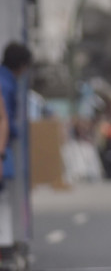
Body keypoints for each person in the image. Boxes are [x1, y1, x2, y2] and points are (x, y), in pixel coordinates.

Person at [0, 43, 30, 257]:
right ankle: (5, 244)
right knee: (3, 198)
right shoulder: (7, 83)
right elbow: (5, 120)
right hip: (2, 149)